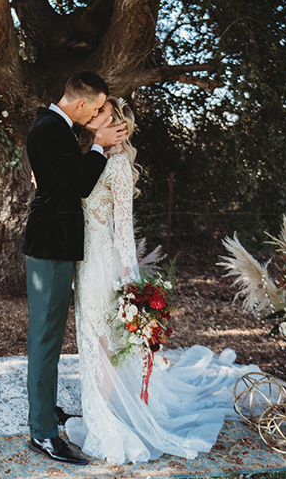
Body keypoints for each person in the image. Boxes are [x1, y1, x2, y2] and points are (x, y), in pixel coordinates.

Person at [65, 97, 263, 464]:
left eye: (103, 114)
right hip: (85, 260)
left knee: (105, 342)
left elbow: (123, 231)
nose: (95, 117)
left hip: (104, 263)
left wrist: (132, 288)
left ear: (117, 123)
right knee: (92, 339)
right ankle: (100, 415)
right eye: (95, 114)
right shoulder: (89, 157)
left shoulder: (120, 165)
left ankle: (105, 424)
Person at [22, 72, 127, 465]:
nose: (101, 113)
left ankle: (45, 412)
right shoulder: (50, 129)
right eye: (98, 107)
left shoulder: (54, 128)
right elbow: (82, 185)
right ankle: (43, 434)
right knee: (45, 340)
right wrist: (99, 145)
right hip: (50, 246)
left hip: (55, 243)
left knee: (49, 337)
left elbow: (65, 178)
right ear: (81, 104)